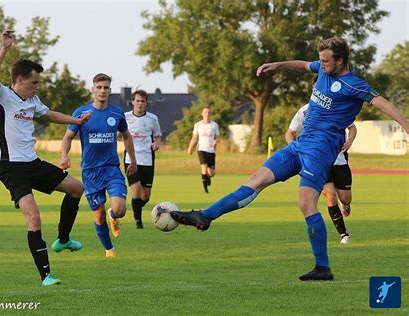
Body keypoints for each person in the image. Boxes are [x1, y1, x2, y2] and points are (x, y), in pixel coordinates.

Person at [171, 37, 409, 281]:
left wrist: (407, 126)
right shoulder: (323, 68)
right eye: (321, 60)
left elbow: (384, 104)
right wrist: (276, 65)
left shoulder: (353, 85)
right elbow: (304, 65)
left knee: (306, 204)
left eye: (326, 61)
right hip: (300, 144)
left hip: (321, 150)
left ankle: (322, 268)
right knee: (256, 179)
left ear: (340, 60)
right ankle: (206, 216)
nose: (321, 64)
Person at [0, 30, 90, 286]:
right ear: (19, 80)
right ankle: (46, 275)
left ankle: (63, 240)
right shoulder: (2, 96)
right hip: (11, 168)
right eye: (34, 82)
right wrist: (4, 49)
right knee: (33, 217)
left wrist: (75, 120)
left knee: (77, 188)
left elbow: (50, 114)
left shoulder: (32, 100)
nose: (37, 86)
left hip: (32, 163)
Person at [61, 73, 137, 258]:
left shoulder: (116, 113)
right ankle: (109, 250)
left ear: (110, 90)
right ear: (92, 89)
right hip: (90, 172)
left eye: (106, 87)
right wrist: (64, 155)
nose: (103, 91)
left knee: (119, 209)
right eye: (99, 87)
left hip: (112, 168)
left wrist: (133, 160)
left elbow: (126, 136)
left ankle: (114, 216)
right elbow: (68, 137)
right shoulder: (81, 113)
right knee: (99, 215)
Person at [285, 103, 355, 244]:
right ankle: (344, 234)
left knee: (345, 198)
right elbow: (289, 133)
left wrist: (349, 141)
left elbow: (352, 127)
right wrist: (295, 149)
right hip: (318, 161)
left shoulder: (337, 106)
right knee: (329, 194)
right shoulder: (304, 110)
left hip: (339, 160)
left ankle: (345, 205)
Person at [124, 90, 162, 229]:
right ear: (132, 102)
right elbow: (117, 132)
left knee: (145, 197)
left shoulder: (153, 119)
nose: (140, 104)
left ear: (146, 103)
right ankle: (138, 221)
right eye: (137, 101)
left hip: (147, 159)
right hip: (130, 158)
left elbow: (157, 136)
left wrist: (157, 143)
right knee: (136, 190)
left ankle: (136, 208)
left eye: (143, 101)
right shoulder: (125, 117)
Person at [187, 107, 220, 193]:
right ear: (202, 114)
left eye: (208, 112)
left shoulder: (214, 125)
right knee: (203, 167)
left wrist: (216, 141)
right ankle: (205, 189)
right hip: (201, 149)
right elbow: (194, 137)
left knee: (211, 173)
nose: (207, 114)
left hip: (211, 150)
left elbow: (218, 137)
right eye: (205, 112)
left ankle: (208, 177)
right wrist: (190, 147)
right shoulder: (198, 125)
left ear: (210, 114)